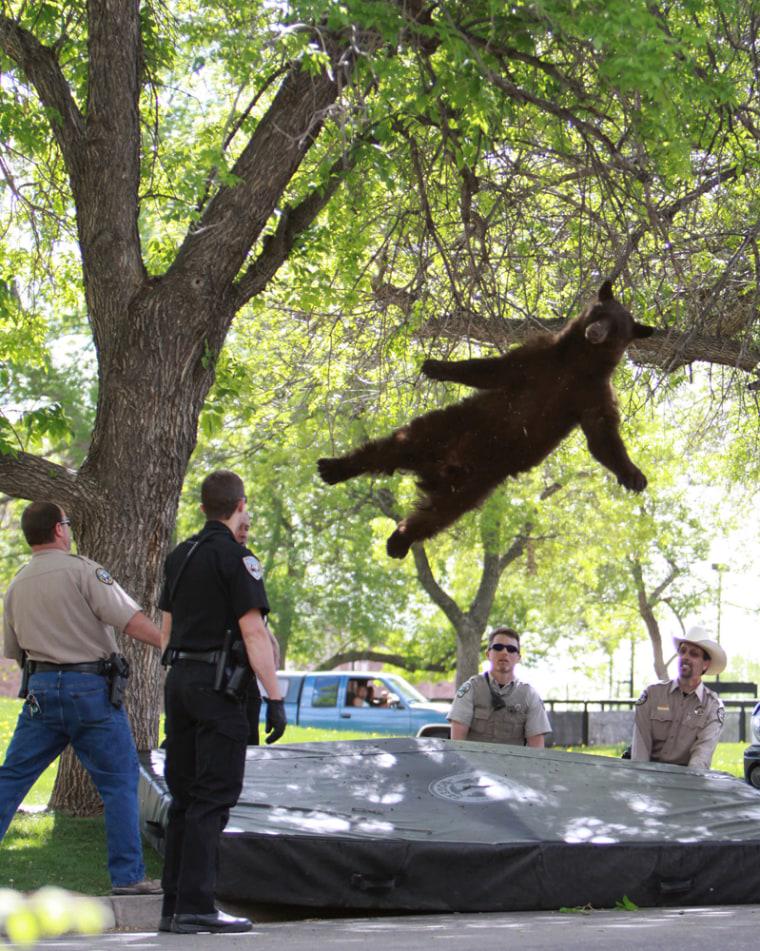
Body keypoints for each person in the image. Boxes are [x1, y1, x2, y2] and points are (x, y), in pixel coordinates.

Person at [0, 501, 163, 895]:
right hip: (90, 690)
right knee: (120, 782)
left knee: (11, 780)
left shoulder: (17, 584)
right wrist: (168, 645)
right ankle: (128, 878)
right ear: (58, 529)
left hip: (40, 692)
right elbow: (129, 619)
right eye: (67, 524)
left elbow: (13, 648)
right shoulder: (83, 570)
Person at [158, 470, 286, 935]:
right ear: (240, 505)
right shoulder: (238, 559)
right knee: (214, 797)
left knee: (183, 797)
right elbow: (252, 632)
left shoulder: (179, 556)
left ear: (204, 507)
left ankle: (173, 906)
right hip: (219, 688)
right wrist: (274, 696)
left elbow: (167, 634)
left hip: (181, 683)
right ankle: (198, 906)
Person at [630, 627, 726, 770]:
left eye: (694, 654)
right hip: (648, 778)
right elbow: (640, 752)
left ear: (705, 665)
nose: (685, 656)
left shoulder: (713, 707)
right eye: (682, 651)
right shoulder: (652, 695)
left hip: (686, 783)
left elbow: (700, 760)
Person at [447, 627, 551, 746]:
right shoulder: (471, 689)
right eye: (498, 647)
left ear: (518, 658)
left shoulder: (530, 695)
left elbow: (536, 751)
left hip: (513, 764)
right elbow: (457, 744)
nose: (504, 652)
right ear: (488, 654)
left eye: (511, 649)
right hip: (474, 763)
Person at [234, 514, 281, 746]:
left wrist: (268, 638)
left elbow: (254, 622)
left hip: (242, 674)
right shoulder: (243, 561)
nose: (244, 533)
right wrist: (276, 698)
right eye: (239, 527)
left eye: (247, 528)